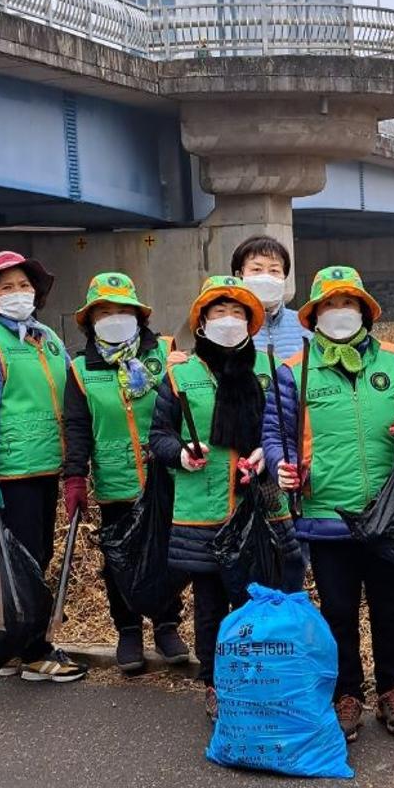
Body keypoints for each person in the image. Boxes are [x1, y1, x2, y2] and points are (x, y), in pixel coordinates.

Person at [263, 266, 394, 743]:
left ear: (364, 310)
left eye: (349, 304)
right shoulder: (293, 369)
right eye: (330, 305)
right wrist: (282, 465)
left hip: (386, 513)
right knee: (338, 611)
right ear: (315, 315)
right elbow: (274, 433)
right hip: (326, 515)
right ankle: (347, 694)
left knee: (390, 608)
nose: (340, 313)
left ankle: (393, 691)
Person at [149, 276, 304, 720]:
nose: (228, 321)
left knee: (259, 597)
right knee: (211, 604)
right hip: (203, 509)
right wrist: (181, 452)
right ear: (200, 323)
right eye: (218, 313)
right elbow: (157, 436)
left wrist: (265, 453)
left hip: (259, 505)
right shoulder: (180, 375)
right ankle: (214, 682)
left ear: (251, 323)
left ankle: (255, 678)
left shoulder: (269, 371)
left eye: (237, 313)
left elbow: (286, 430)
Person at [0, 251, 87, 683]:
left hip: (46, 467)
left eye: (24, 286)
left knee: (37, 557)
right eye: (7, 287)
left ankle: (16, 647)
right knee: (25, 563)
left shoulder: (46, 337)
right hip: (13, 474)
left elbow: (75, 389)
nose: (19, 294)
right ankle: (33, 651)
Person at [62, 272, 191, 673]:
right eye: (105, 311)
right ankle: (128, 630)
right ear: (90, 320)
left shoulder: (166, 352)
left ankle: (168, 625)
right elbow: (78, 426)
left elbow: (187, 413)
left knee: (169, 554)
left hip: (165, 478)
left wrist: (176, 374)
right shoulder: (81, 369)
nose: (114, 317)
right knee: (120, 559)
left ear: (139, 315)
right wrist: (75, 477)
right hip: (116, 481)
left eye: (122, 310)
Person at [231, 235, 311, 359]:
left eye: (274, 270)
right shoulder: (229, 325)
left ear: (284, 276)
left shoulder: (304, 323)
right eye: (256, 269)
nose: (266, 277)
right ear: (240, 275)